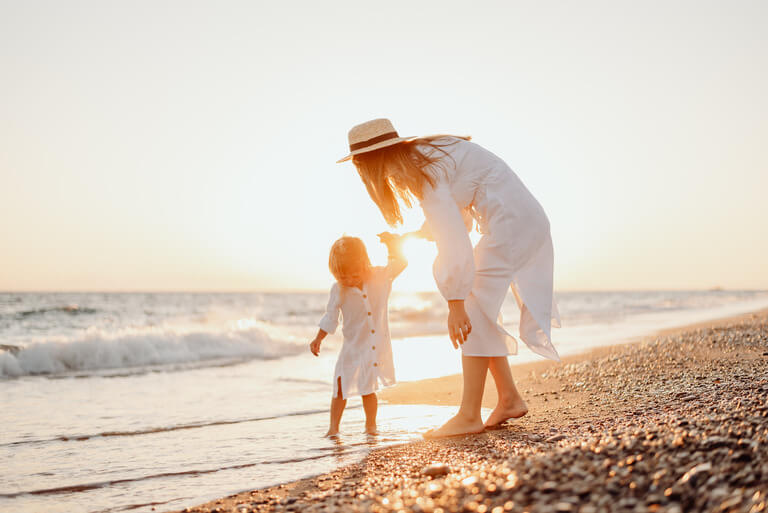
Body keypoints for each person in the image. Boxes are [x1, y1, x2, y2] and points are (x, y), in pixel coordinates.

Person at [337, 118, 561, 438]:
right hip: (519, 221)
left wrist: (455, 300)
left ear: (371, 162)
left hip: (512, 224)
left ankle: (469, 415)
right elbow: (454, 220)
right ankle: (509, 397)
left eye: (361, 168)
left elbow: (454, 238)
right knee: (480, 310)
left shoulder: (424, 170)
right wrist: (410, 238)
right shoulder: (426, 156)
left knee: (470, 308)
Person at [310, 233, 407, 436]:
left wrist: (392, 246)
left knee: (368, 388)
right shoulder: (338, 290)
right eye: (342, 276)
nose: (349, 280)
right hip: (352, 346)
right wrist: (318, 338)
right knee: (339, 385)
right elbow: (331, 316)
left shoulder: (379, 277)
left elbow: (400, 263)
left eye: (354, 274)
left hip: (374, 346)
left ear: (365, 264)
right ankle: (333, 428)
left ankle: (370, 426)